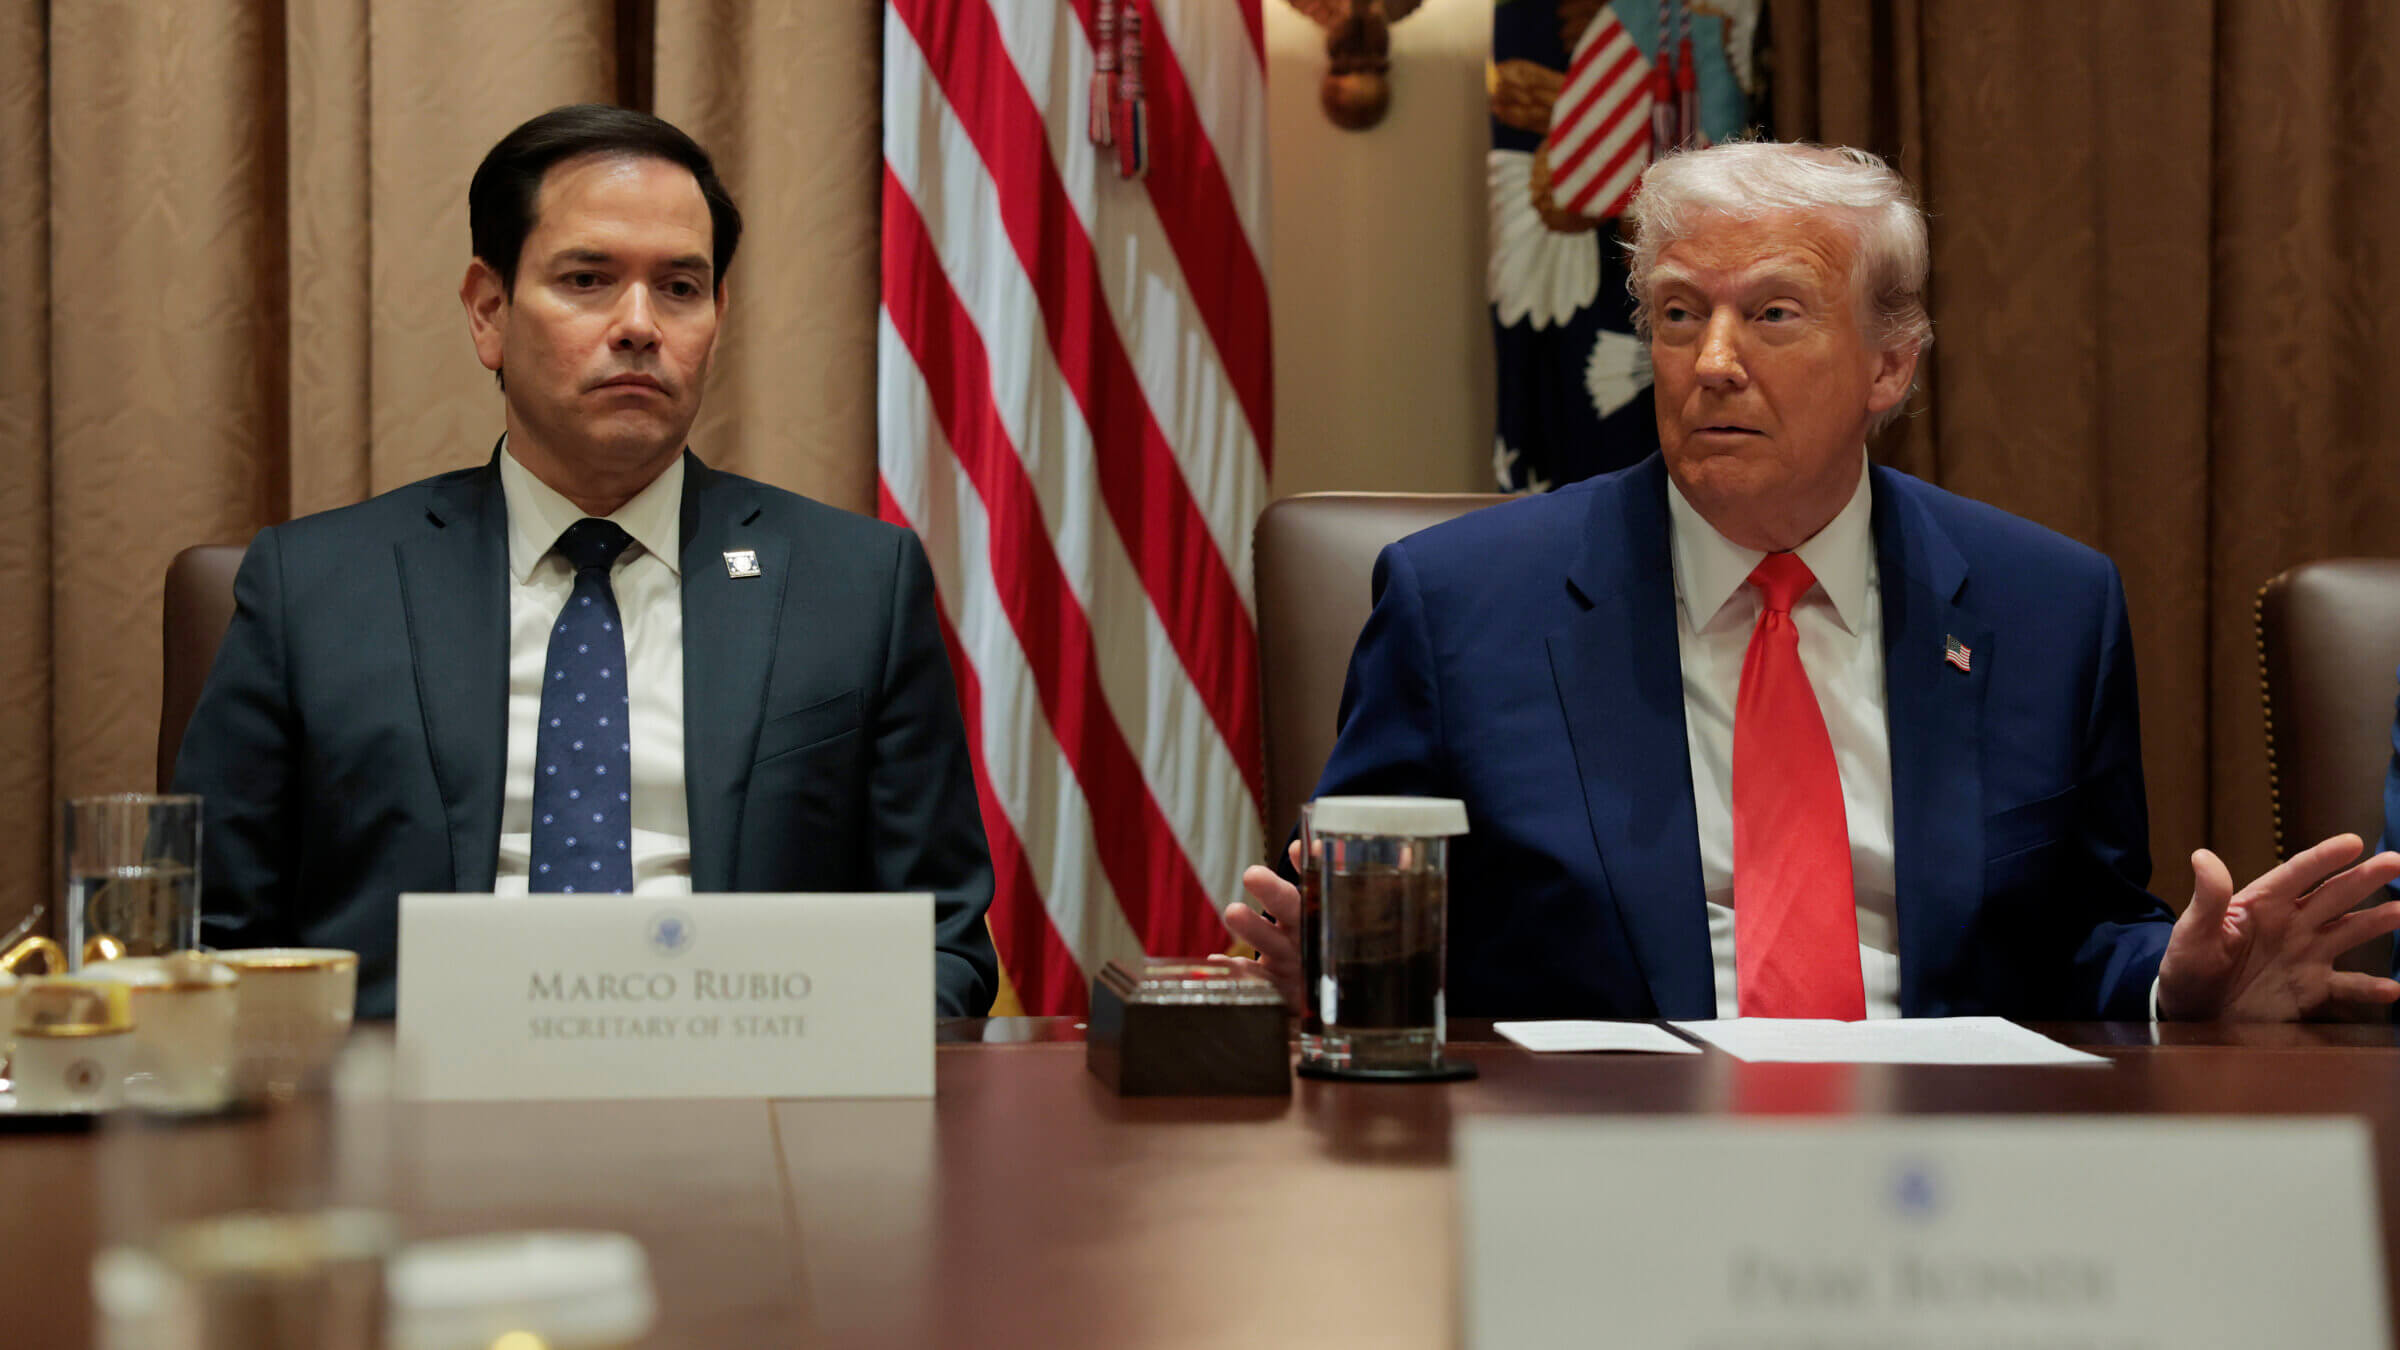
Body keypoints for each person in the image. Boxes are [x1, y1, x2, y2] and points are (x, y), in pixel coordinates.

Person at [1224, 141, 2400, 1022]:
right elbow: (1365, 914)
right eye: (1680, 316)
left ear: (1891, 363)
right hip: (1596, 1172)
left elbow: (2077, 932)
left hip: (1935, 1187)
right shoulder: (1462, 605)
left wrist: (2175, 977)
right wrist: (1327, 957)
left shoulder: (2048, 605)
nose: (1714, 363)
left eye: (1772, 314)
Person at [175, 105, 998, 1017]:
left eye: (680, 288)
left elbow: (940, 942)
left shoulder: (856, 585)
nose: (640, 324)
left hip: (755, 1111)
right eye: (588, 279)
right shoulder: (317, 587)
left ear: (718, 320)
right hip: (402, 1120)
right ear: (489, 312)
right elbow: (208, 939)